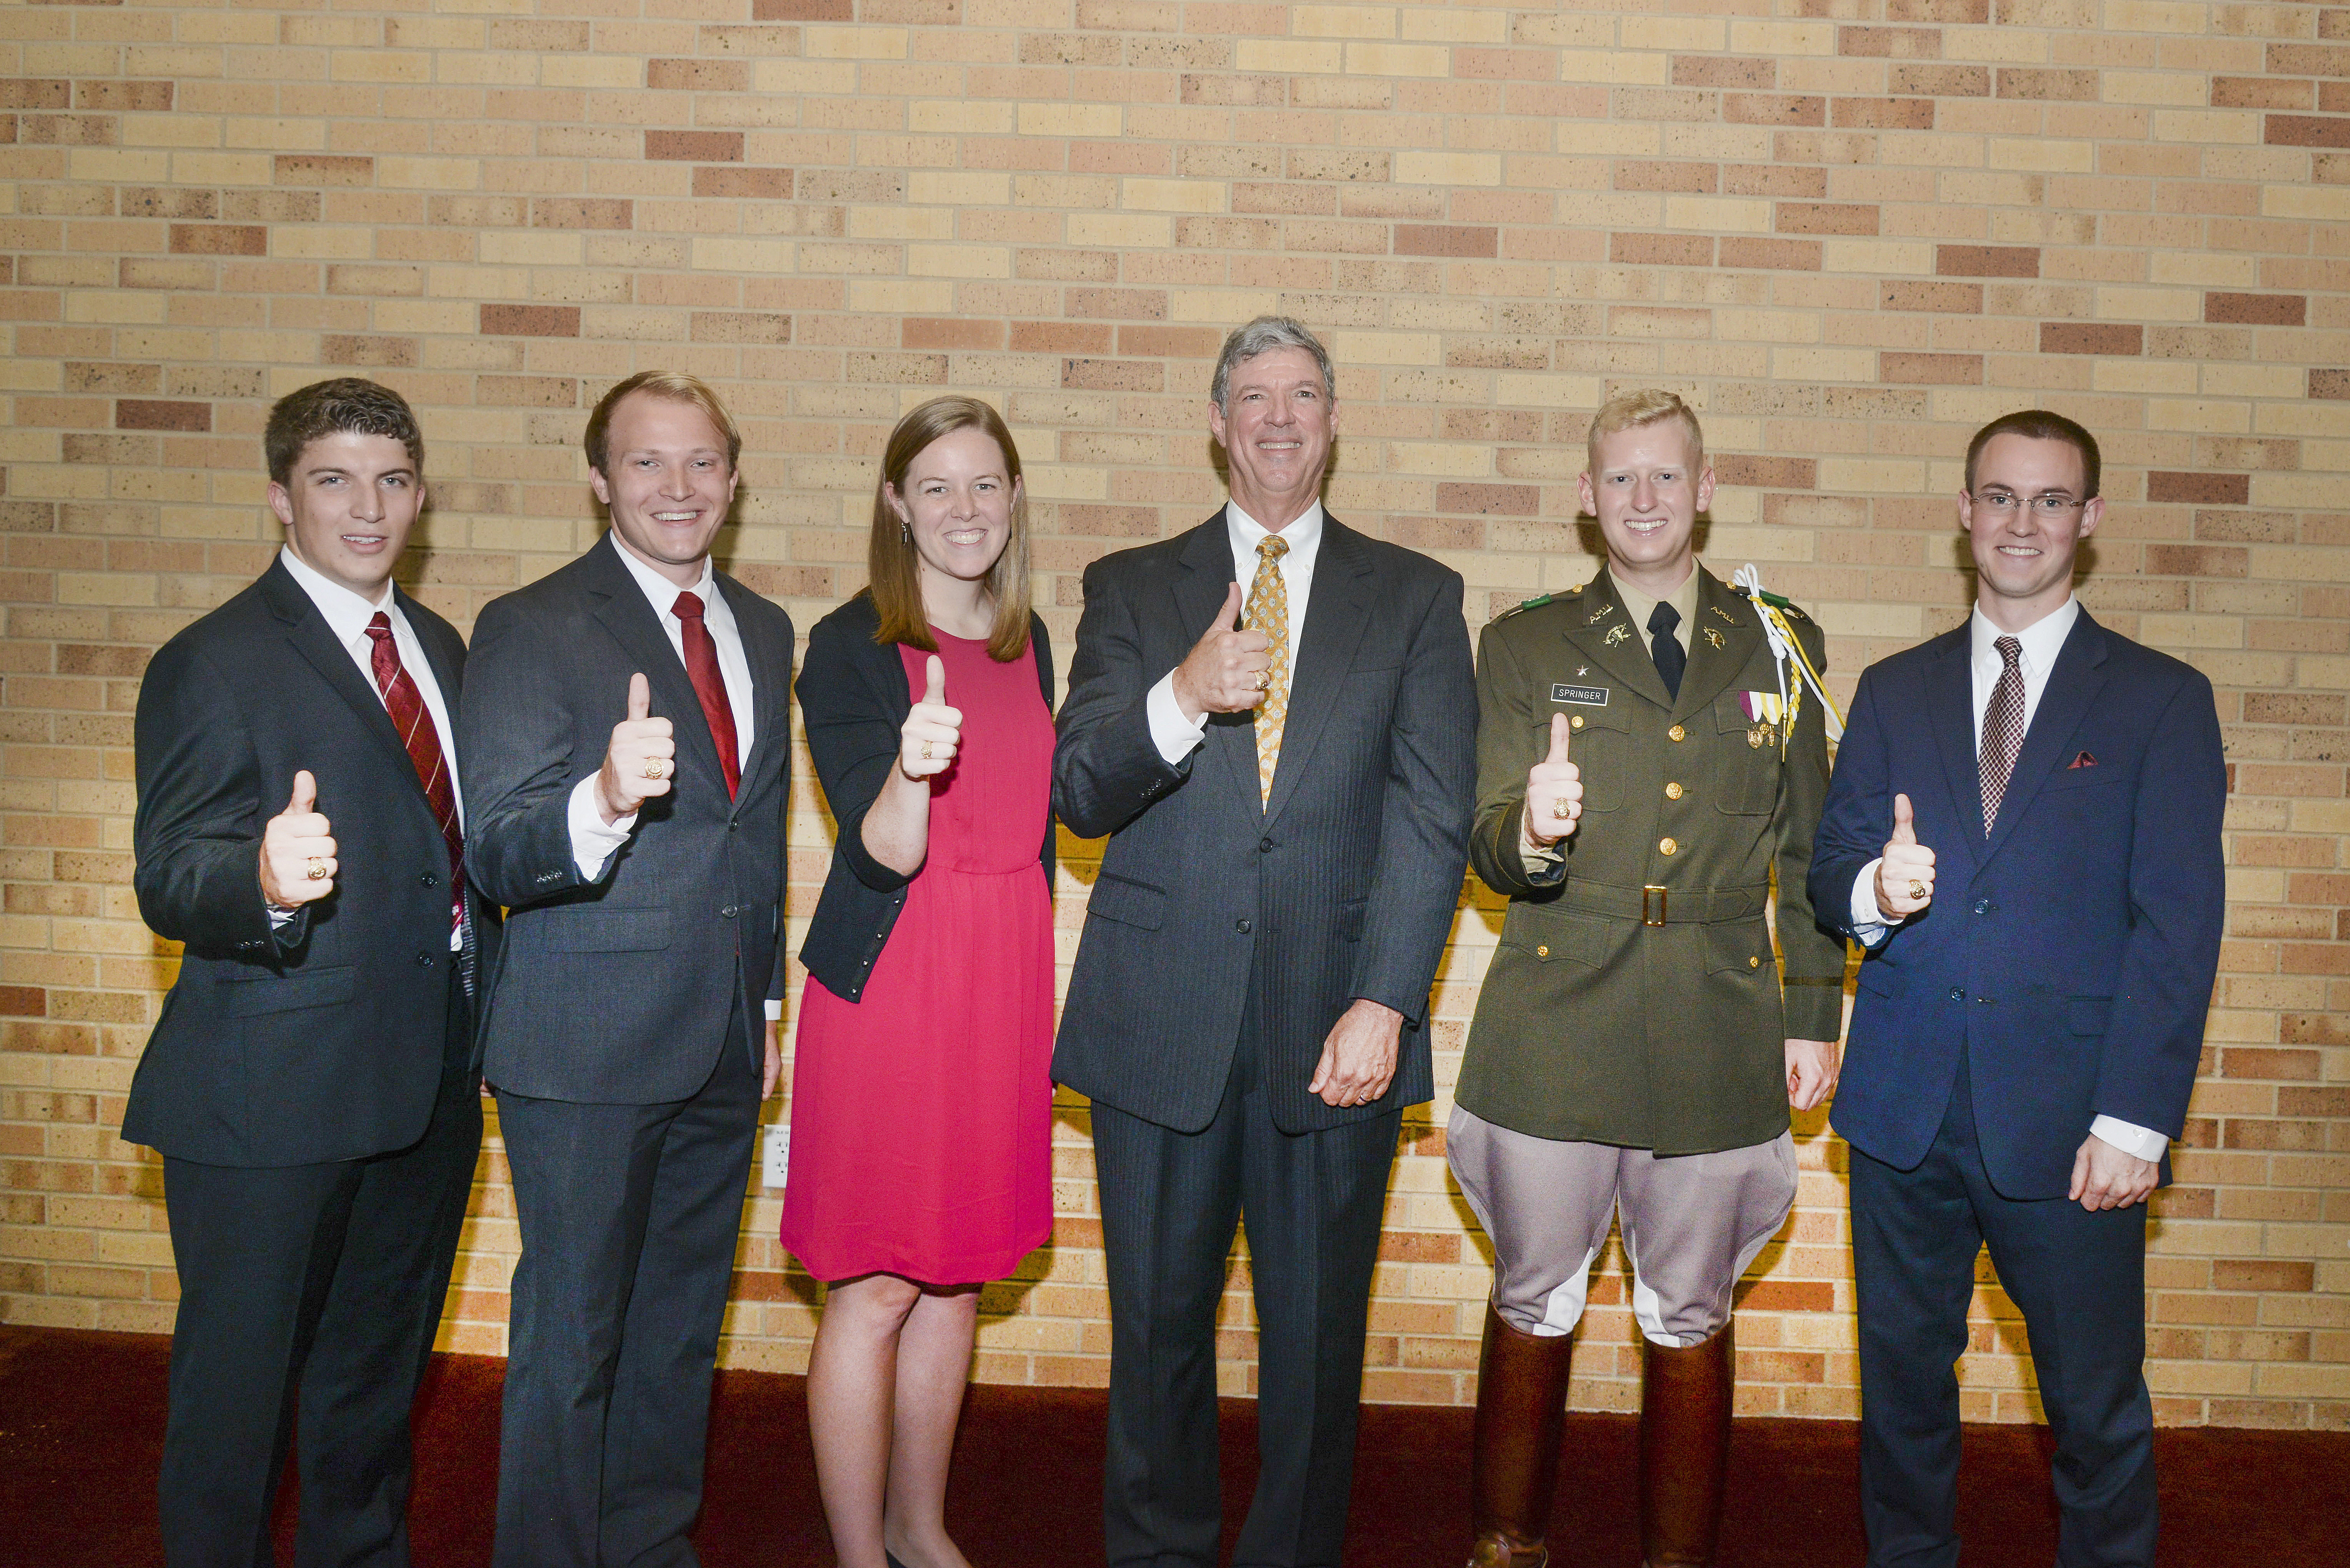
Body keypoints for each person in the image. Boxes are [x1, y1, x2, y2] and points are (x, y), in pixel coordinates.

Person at [1053, 316, 1477, 1568]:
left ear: (1334, 419)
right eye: (1252, 396)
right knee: (1157, 1337)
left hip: (1329, 1028)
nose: (1278, 417)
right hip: (1159, 1024)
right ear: (1217, 424)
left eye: (1301, 394)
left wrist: (1387, 1001)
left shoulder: (1415, 597)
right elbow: (1080, 789)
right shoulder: (1132, 585)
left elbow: (1431, 813)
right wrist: (1180, 696)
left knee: (1311, 1349)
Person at [1809, 410, 2225, 1568]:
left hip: (2075, 1122)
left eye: (2049, 500)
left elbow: (2177, 928)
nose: (2021, 522)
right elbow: (1827, 868)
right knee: (1900, 1398)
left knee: (2093, 1409)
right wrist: (1872, 896)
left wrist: (2135, 1120)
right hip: (1901, 1113)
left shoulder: (2158, 699)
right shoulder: (1891, 691)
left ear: (2088, 520)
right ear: (1962, 511)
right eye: (1998, 496)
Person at [1448, 389, 1846, 1568]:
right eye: (1618, 479)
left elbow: (1805, 847)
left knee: (1689, 1308)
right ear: (1584, 496)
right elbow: (1479, 834)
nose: (1641, 500)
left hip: (1719, 1016)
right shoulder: (1523, 643)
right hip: (1555, 1014)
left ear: (1705, 487)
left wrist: (1814, 1011)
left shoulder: (1781, 641)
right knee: (1535, 1296)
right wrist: (1531, 829)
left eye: (1664, 477)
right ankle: (1507, 1542)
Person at [127, 377, 493, 1567]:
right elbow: (171, 874)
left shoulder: (437, 645)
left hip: (428, 1077)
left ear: (421, 494)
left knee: (372, 1389)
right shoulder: (215, 659)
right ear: (281, 497)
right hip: (269, 1093)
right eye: (334, 480)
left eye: (391, 480)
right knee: (236, 1408)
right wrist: (264, 879)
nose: (367, 507)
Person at [456, 372, 794, 1568]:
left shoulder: (762, 627)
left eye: (701, 461)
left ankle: (650, 1547)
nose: (678, 488)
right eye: (647, 464)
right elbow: (496, 846)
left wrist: (763, 1007)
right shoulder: (530, 623)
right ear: (599, 480)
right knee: (577, 1341)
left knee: (674, 1336)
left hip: (716, 1043)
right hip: (582, 1044)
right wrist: (601, 797)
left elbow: (754, 832)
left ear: (735, 475)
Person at [783, 396, 1057, 1568]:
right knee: (879, 1284)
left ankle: (919, 1524)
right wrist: (908, 765)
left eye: (985, 483)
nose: (963, 509)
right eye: (936, 486)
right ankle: (858, 1552)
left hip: (998, 983)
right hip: (892, 984)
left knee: (957, 1283)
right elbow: (882, 849)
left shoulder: (1028, 639)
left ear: (1012, 499)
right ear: (896, 502)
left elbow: (1038, 830)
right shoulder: (849, 644)